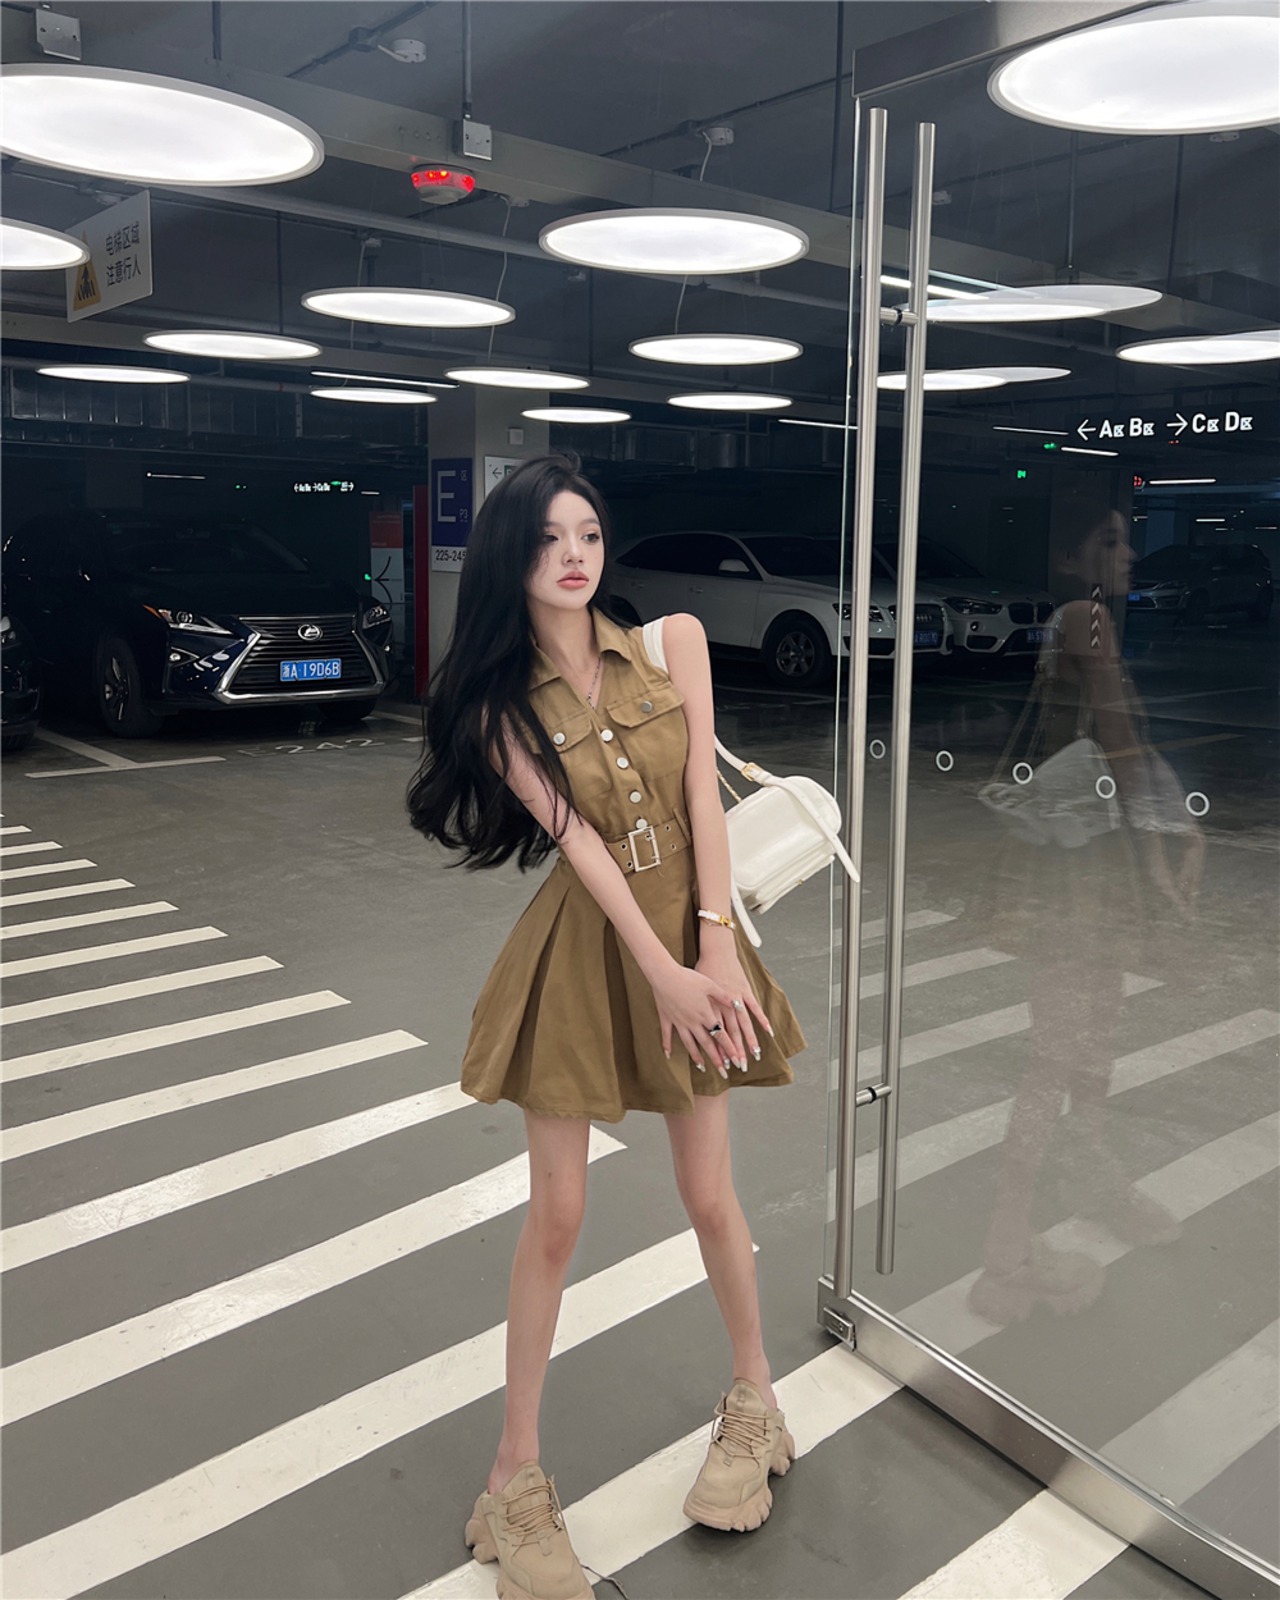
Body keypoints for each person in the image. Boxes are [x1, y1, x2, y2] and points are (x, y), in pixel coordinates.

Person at [408, 454, 806, 1600]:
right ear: (512, 558)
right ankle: (513, 1475)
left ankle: (756, 1403)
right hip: (591, 951)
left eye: (585, 533)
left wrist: (712, 948)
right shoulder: (497, 704)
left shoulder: (673, 641)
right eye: (547, 539)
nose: (572, 555)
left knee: (708, 1191)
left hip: (695, 931)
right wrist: (659, 971)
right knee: (558, 1213)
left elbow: (700, 804)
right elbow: (578, 844)